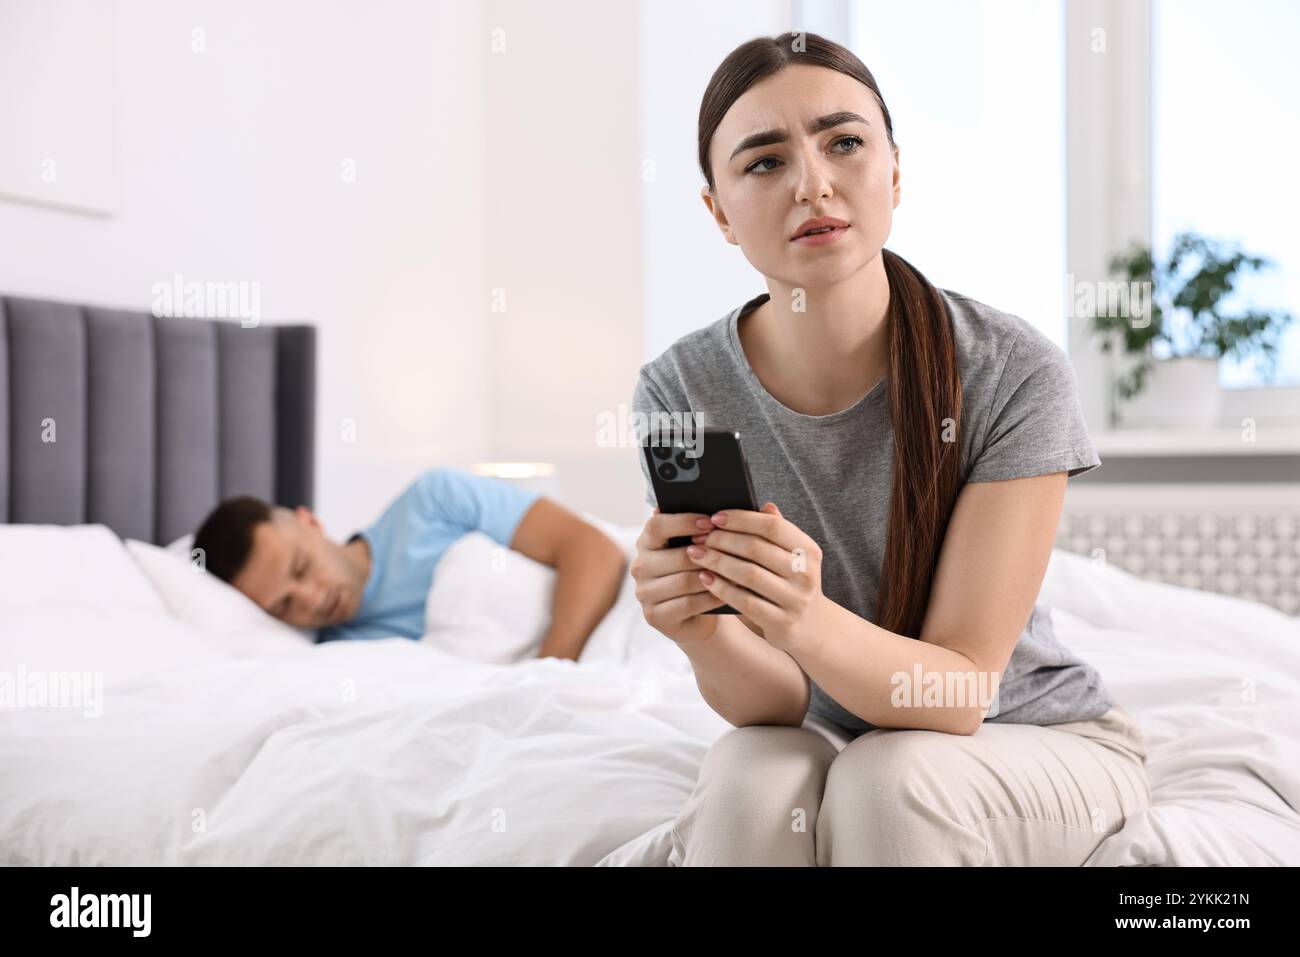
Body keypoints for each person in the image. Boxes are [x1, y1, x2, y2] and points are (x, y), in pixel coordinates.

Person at [629, 31, 1150, 866]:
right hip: (838, 733)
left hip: (1028, 733)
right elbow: (773, 704)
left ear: (895, 171)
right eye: (764, 162)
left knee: (889, 778)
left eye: (844, 142)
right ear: (719, 212)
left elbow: (958, 690)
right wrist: (698, 630)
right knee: (746, 780)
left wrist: (805, 614)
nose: (813, 183)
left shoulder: (1012, 371)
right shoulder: (679, 391)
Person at [192, 467, 627, 660]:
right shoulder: (341, 657)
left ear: (310, 522)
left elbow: (594, 551)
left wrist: (551, 674)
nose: (310, 599)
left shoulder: (431, 502)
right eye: (284, 605)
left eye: (301, 568)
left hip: (622, 618)